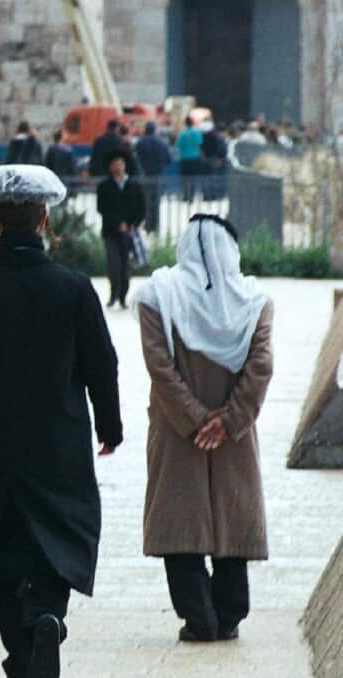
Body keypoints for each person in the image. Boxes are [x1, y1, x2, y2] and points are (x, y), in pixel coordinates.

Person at [0, 164, 123, 678]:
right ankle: (48, 612)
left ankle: (20, 663)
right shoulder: (74, 290)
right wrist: (110, 427)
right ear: (45, 219)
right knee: (57, 538)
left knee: (4, 548)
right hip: (60, 443)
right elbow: (102, 364)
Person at [129, 215, 273, 644]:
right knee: (231, 515)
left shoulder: (157, 296)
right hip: (233, 435)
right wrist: (228, 421)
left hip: (178, 432)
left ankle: (198, 618)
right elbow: (261, 366)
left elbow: (159, 366)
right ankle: (228, 616)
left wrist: (194, 419)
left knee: (180, 520)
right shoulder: (254, 302)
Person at [96, 149, 146, 309]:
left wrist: (133, 224)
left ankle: (123, 296)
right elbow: (102, 208)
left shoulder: (134, 186)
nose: (118, 167)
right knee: (114, 264)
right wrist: (118, 223)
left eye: (120, 164)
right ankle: (113, 294)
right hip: (111, 231)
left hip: (129, 232)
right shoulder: (104, 186)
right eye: (114, 164)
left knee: (126, 266)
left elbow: (141, 208)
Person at [134, 121, 171, 234]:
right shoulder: (162, 143)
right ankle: (155, 227)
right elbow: (169, 159)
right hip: (158, 176)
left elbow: (137, 158)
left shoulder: (140, 142)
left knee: (145, 202)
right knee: (156, 203)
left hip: (144, 176)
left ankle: (147, 225)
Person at [176, 117, 207, 201]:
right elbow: (200, 145)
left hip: (184, 159)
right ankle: (192, 195)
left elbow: (179, 146)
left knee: (185, 178)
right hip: (195, 158)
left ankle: (186, 194)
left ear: (185, 123)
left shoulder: (182, 134)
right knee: (193, 178)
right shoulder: (197, 133)